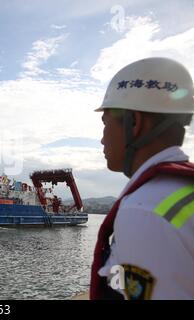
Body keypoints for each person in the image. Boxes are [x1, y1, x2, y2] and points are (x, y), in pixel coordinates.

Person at [90, 57, 194, 300]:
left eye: (105, 124)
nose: (102, 139)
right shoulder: (183, 191)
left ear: (133, 123)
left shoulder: (145, 210)